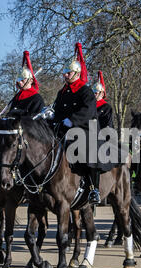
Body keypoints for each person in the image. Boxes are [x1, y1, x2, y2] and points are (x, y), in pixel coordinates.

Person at [51, 43, 112, 205]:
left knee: (88, 151)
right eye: (64, 72)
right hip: (63, 129)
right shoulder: (62, 92)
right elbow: (58, 109)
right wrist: (53, 119)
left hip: (85, 129)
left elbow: (88, 110)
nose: (65, 75)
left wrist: (72, 120)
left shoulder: (85, 91)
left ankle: (93, 188)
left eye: (68, 72)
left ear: (76, 73)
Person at [5, 51, 45, 118]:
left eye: (23, 80)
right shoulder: (17, 97)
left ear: (31, 80)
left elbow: (34, 118)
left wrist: (18, 113)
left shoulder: (37, 99)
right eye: (19, 80)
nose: (20, 82)